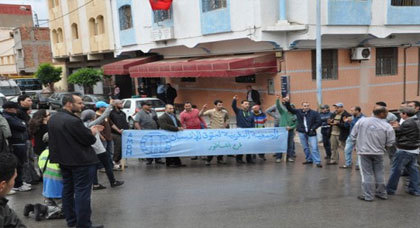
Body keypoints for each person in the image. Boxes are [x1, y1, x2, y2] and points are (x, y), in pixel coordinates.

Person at [48, 94, 103, 228]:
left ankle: (72, 221)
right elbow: (88, 140)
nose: (82, 105)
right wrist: (92, 132)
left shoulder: (53, 118)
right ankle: (83, 224)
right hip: (81, 161)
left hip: (64, 160)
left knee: (67, 191)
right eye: (79, 103)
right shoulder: (73, 121)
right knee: (82, 193)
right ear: (68, 104)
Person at [351, 106, 395, 202]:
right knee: (379, 172)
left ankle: (368, 196)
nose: (388, 115)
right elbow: (391, 142)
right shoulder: (387, 126)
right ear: (382, 114)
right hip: (378, 153)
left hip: (364, 152)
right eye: (386, 113)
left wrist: (356, 144)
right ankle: (382, 193)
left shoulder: (362, 121)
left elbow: (353, 134)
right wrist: (385, 146)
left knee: (367, 174)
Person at [81, 107, 124, 191]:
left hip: (91, 150)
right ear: (91, 117)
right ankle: (113, 182)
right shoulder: (91, 124)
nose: (95, 116)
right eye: (93, 115)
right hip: (99, 150)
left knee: (93, 167)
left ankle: (95, 184)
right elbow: (103, 116)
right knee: (108, 165)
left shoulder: (82, 124)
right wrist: (110, 106)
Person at [386, 107, 420, 196]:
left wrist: (394, 127)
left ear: (405, 114)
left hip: (405, 150)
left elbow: (398, 133)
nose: (400, 115)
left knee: (396, 170)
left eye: (400, 113)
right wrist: (398, 127)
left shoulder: (408, 122)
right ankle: (415, 189)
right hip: (414, 149)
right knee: (413, 170)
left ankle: (390, 189)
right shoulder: (417, 121)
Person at [283, 96, 323, 168]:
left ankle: (317, 162)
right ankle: (309, 159)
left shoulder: (314, 113)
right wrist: (287, 102)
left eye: (307, 106)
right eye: (305, 106)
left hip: (312, 133)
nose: (306, 107)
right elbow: (290, 109)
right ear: (302, 106)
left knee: (314, 147)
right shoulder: (298, 112)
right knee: (305, 147)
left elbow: (319, 122)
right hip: (302, 132)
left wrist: (313, 128)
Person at [3, 102, 31, 192]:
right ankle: (18, 184)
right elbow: (22, 126)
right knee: (18, 164)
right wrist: (23, 124)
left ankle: (20, 182)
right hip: (16, 144)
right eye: (14, 108)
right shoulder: (8, 117)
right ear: (8, 109)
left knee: (21, 164)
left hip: (20, 143)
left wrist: (23, 124)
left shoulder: (14, 117)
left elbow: (24, 124)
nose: (16, 110)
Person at [17, 94, 39, 186]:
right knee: (26, 160)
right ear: (21, 101)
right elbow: (24, 126)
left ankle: (34, 177)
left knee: (31, 159)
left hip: (29, 138)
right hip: (23, 139)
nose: (31, 102)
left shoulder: (26, 112)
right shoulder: (19, 112)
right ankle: (28, 179)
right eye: (28, 100)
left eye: (31, 100)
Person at [0, 152, 27, 227]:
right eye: (14, 179)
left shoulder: (2, 205)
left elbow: (15, 224)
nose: (13, 183)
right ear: (2, 186)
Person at [199, 100, 229, 165]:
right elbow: (200, 115)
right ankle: (208, 160)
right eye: (219, 105)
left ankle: (220, 159)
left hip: (222, 132)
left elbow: (227, 119)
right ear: (215, 105)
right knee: (213, 146)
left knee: (222, 146)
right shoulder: (211, 111)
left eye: (221, 105)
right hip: (214, 133)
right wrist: (203, 109)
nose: (221, 106)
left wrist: (226, 124)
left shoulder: (225, 112)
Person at [232, 95, 255, 164]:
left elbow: (252, 122)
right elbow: (233, 106)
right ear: (241, 105)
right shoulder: (238, 111)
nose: (247, 105)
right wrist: (234, 100)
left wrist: (253, 130)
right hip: (240, 131)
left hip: (249, 131)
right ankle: (239, 159)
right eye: (245, 104)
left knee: (249, 145)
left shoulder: (251, 113)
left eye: (248, 104)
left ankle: (249, 159)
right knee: (240, 145)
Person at [109, 100, 130, 170]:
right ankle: (115, 162)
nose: (122, 105)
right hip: (115, 133)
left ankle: (122, 162)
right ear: (115, 105)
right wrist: (118, 130)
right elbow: (111, 123)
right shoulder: (111, 113)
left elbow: (126, 122)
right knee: (117, 148)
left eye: (122, 103)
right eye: (120, 104)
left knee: (123, 148)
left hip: (124, 133)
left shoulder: (123, 113)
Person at [275, 97, 297, 163]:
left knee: (290, 144)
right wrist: (277, 100)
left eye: (293, 108)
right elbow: (278, 106)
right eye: (290, 108)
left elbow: (296, 124)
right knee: (280, 144)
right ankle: (278, 157)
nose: (291, 109)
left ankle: (290, 157)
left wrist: (291, 127)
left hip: (290, 131)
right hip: (282, 131)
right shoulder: (283, 112)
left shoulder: (295, 116)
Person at [96, 101, 114, 167]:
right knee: (103, 152)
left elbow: (111, 124)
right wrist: (101, 136)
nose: (106, 108)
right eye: (104, 107)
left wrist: (119, 130)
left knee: (110, 152)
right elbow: (95, 128)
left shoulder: (106, 115)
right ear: (100, 108)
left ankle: (110, 165)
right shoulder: (96, 116)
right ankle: (102, 166)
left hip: (109, 136)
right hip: (103, 137)